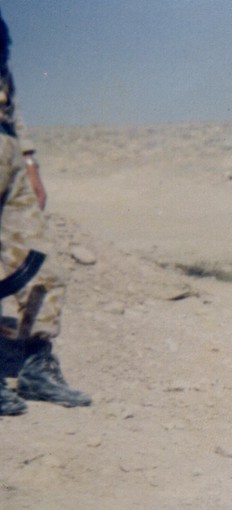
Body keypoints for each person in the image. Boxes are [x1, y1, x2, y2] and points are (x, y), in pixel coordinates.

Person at [0, 11, 91, 415]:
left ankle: (37, 367)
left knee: (42, 264)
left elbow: (10, 99)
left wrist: (29, 160)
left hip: (7, 154)